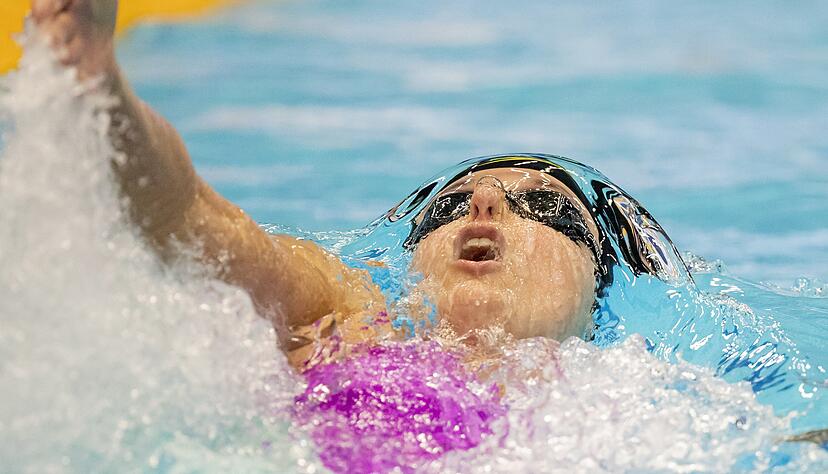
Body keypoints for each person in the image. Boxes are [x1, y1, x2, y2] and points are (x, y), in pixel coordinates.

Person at [28, 0, 647, 370]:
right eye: (448, 209)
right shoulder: (344, 324)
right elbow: (189, 218)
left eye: (541, 207)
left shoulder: (654, 402)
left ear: (599, 288)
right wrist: (100, 83)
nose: (482, 205)